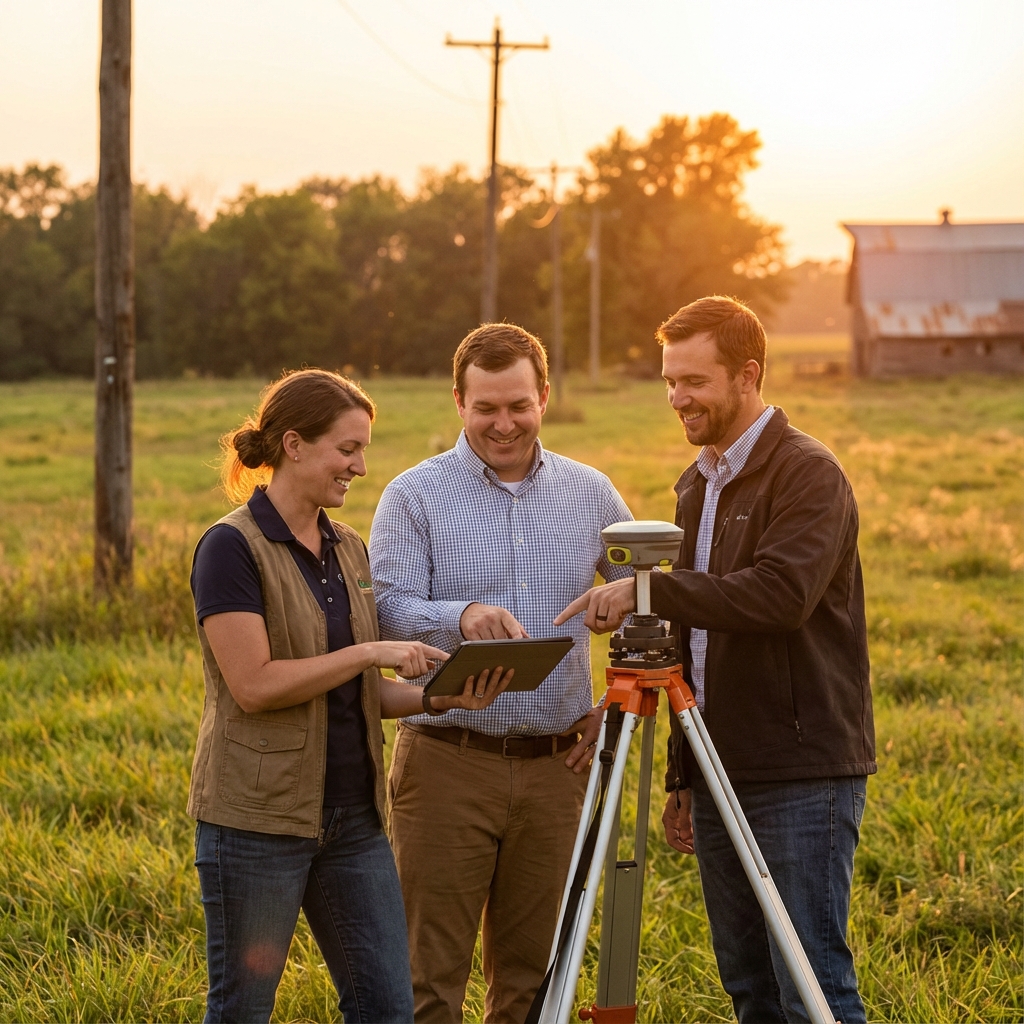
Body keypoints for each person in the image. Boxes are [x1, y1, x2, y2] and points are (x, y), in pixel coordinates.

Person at [557, 296, 875, 1024]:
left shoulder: (807, 473)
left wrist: (647, 591)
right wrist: (682, 777)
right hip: (717, 765)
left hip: (799, 768)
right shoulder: (696, 482)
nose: (678, 398)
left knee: (810, 981)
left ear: (747, 375)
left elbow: (778, 596)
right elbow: (689, 650)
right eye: (670, 381)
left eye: (694, 381)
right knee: (749, 986)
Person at [187, 368, 510, 1024]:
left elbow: (358, 693)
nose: (361, 466)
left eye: (363, 449)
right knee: (243, 1009)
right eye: (348, 449)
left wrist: (437, 700)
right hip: (259, 822)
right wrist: (369, 652)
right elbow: (253, 687)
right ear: (295, 444)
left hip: (354, 820)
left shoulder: (348, 548)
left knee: (387, 1007)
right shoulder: (229, 548)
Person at [369, 323, 634, 1023]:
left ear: (544, 397)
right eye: (486, 407)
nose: (504, 423)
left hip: (556, 768)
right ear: (458, 401)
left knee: (531, 977)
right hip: (446, 760)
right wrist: (460, 617)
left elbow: (646, 603)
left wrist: (618, 702)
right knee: (429, 978)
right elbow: (387, 607)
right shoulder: (412, 495)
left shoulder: (592, 493)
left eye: (518, 404)